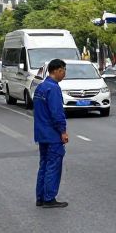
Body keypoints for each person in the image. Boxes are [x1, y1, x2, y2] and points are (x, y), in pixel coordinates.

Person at [34, 59, 69, 208]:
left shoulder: (40, 87)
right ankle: (49, 198)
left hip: (41, 133)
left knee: (44, 164)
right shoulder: (53, 89)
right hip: (53, 133)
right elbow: (56, 113)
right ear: (56, 71)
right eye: (63, 70)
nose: (64, 74)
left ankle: (40, 197)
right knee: (53, 165)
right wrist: (63, 131)